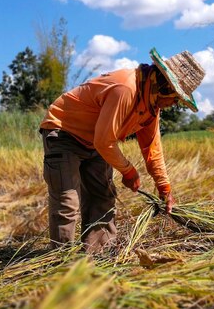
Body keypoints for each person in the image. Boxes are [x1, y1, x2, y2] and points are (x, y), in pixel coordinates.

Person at [39, 48, 205, 253]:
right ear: (165, 86)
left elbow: (152, 149)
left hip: (95, 141)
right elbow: (104, 140)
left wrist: (164, 188)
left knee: (103, 196)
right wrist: (128, 171)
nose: (174, 104)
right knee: (67, 202)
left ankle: (98, 255)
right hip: (65, 133)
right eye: (176, 98)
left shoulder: (151, 106)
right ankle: (61, 262)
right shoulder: (127, 89)